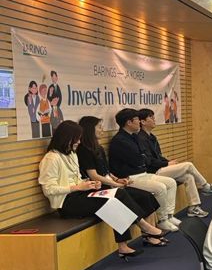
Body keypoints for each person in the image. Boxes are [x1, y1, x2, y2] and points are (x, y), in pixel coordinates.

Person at [38, 121, 170, 259]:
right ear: (66, 138)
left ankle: (124, 245)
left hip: (80, 194)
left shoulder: (71, 154)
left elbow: (77, 179)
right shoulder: (51, 158)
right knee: (112, 200)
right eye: (76, 139)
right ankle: (143, 227)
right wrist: (77, 187)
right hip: (67, 203)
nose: (79, 142)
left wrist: (88, 184)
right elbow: (49, 189)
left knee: (118, 195)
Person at [75, 116, 167, 247]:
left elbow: (106, 172)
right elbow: (94, 175)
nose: (102, 130)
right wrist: (116, 184)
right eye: (99, 127)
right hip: (100, 187)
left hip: (110, 184)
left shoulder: (98, 148)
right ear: (90, 129)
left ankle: (149, 234)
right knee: (120, 200)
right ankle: (145, 230)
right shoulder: (83, 150)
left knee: (146, 196)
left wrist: (117, 179)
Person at [137, 108, 212, 218]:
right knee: (188, 165)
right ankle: (206, 186)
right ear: (143, 122)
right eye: (151, 117)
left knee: (188, 177)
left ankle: (193, 207)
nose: (154, 119)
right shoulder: (140, 138)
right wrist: (167, 164)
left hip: (160, 168)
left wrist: (168, 162)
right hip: (153, 172)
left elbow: (158, 156)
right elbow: (149, 161)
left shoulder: (152, 137)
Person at [108, 108, 180, 232]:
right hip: (129, 178)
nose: (139, 122)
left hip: (142, 173)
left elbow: (143, 157)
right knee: (160, 188)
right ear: (129, 122)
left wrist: (142, 157)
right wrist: (142, 158)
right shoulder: (119, 140)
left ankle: (169, 216)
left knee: (171, 183)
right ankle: (162, 220)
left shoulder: (134, 136)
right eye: (136, 119)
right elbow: (138, 159)